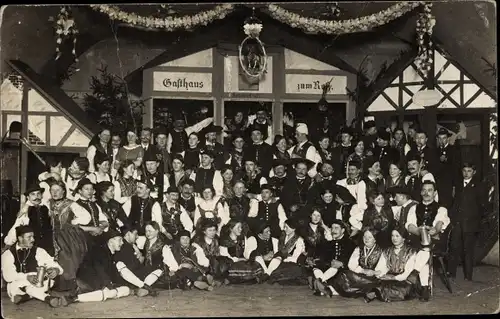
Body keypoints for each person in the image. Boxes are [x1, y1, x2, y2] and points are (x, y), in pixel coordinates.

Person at [75, 230, 156, 303]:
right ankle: (74, 298)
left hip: (95, 282)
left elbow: (116, 274)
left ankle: (142, 286)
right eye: (119, 240)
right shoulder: (99, 251)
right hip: (85, 280)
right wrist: (107, 286)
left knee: (124, 288)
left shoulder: (113, 254)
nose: (122, 243)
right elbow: (99, 270)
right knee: (111, 292)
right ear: (111, 241)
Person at [405, 181, 450, 301]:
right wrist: (419, 231)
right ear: (420, 192)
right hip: (418, 238)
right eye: (424, 190)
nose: (426, 193)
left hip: (434, 240)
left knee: (425, 248)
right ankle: (424, 287)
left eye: (430, 190)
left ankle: (415, 277)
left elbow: (439, 224)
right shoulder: (414, 208)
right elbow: (410, 225)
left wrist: (434, 230)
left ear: (435, 193)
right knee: (424, 251)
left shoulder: (441, 209)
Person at [2, 226, 65, 307]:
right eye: (29, 237)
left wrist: (56, 270)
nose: (33, 240)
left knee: (39, 285)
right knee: (14, 286)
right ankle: (47, 298)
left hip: (39, 284)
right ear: (20, 238)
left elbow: (53, 265)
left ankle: (26, 296)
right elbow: (8, 276)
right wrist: (27, 277)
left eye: (33, 237)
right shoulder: (8, 254)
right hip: (18, 284)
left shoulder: (39, 251)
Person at [45, 181, 90, 294]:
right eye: (52, 190)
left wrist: (74, 221)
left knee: (68, 257)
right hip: (51, 235)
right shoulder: (47, 203)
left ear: (63, 191)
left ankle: (70, 286)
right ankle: (54, 285)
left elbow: (86, 217)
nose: (55, 193)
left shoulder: (70, 204)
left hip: (68, 236)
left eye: (58, 190)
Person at [447, 163, 487, 281]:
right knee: (454, 246)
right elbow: (454, 203)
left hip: (470, 223)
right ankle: (451, 272)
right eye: (464, 170)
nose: (466, 173)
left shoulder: (479, 186)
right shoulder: (458, 185)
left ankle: (468, 275)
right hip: (458, 222)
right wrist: (452, 218)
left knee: (468, 249)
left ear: (474, 172)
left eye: (469, 171)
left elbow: (482, 206)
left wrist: (478, 221)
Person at [363, 227, 420, 303]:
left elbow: (407, 273)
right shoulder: (387, 251)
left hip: (405, 280)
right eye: (392, 236)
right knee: (377, 282)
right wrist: (381, 274)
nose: (394, 238)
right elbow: (380, 267)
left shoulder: (411, 252)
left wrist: (393, 278)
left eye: (397, 236)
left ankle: (376, 293)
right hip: (389, 278)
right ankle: (379, 292)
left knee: (403, 289)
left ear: (403, 238)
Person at [328, 227, 384, 299]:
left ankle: (333, 290)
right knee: (344, 274)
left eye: (369, 237)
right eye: (365, 237)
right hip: (359, 275)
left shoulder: (381, 251)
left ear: (375, 239)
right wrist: (362, 270)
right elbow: (351, 265)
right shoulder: (358, 249)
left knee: (378, 283)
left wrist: (374, 272)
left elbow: (383, 267)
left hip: (373, 277)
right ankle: (367, 292)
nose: (366, 239)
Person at [4, 185, 54, 255]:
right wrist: (8, 244)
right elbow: (16, 227)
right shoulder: (25, 211)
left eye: (38, 194)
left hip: (48, 243)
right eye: (33, 194)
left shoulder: (47, 206)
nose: (36, 197)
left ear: (42, 195)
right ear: (28, 197)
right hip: (33, 244)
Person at [312, 219, 356, 297]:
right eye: (332, 228)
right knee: (316, 268)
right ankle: (324, 287)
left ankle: (321, 285)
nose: (333, 230)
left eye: (336, 228)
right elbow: (324, 258)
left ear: (342, 230)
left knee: (335, 270)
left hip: (342, 270)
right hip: (329, 270)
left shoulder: (350, 243)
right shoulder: (329, 242)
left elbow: (353, 259)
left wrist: (342, 263)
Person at [122, 176, 165, 248]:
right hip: (131, 237)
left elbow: (158, 225)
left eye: (140, 188)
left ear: (148, 190)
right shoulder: (132, 200)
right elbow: (122, 216)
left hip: (147, 238)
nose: (137, 190)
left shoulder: (155, 204)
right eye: (137, 187)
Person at [219, 219, 264, 284]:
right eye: (238, 227)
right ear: (231, 229)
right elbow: (225, 257)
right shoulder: (225, 241)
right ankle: (232, 278)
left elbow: (245, 252)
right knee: (238, 268)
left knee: (255, 265)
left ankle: (245, 279)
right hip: (230, 263)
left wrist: (249, 259)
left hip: (242, 261)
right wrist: (238, 259)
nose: (240, 229)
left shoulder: (242, 238)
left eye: (241, 227)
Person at [265, 219, 306, 285]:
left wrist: (282, 259)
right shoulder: (283, 236)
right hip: (279, 260)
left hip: (291, 263)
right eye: (284, 227)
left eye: (287, 227)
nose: (284, 229)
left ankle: (269, 275)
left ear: (293, 229)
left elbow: (295, 258)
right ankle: (268, 275)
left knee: (286, 269)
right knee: (276, 262)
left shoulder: (299, 240)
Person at [301, 209, 333, 290]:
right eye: (314, 215)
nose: (316, 217)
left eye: (318, 215)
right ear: (310, 215)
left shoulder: (323, 228)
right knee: (308, 264)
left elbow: (330, 239)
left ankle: (319, 283)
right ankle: (319, 283)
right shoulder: (304, 227)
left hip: (322, 253)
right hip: (309, 253)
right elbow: (301, 242)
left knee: (322, 264)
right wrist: (303, 251)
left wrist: (324, 226)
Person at [73, 178, 110, 249]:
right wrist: (92, 229)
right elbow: (74, 227)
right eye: (86, 189)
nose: (89, 191)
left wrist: (100, 228)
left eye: (91, 189)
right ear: (80, 191)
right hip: (83, 238)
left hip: (98, 236)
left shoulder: (95, 204)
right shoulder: (75, 205)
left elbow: (105, 221)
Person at [192, 220, 228, 288]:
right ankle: (209, 281)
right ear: (204, 231)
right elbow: (198, 258)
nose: (212, 233)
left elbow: (219, 254)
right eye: (210, 230)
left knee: (222, 261)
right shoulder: (198, 241)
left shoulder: (216, 240)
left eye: (214, 230)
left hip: (215, 265)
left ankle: (210, 282)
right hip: (203, 265)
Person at [281, 158, 315, 226]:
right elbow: (283, 198)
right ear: (295, 169)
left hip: (307, 214)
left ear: (307, 170)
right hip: (292, 214)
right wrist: (289, 207)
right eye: (299, 168)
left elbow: (314, 199)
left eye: (304, 169)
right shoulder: (287, 181)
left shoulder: (312, 182)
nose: (301, 171)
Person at [435, 127, 461, 209]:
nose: (442, 140)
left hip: (449, 185)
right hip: (437, 184)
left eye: (444, 138)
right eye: (440, 138)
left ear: (448, 138)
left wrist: (454, 186)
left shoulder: (454, 151)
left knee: (448, 206)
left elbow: (456, 169)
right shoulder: (434, 151)